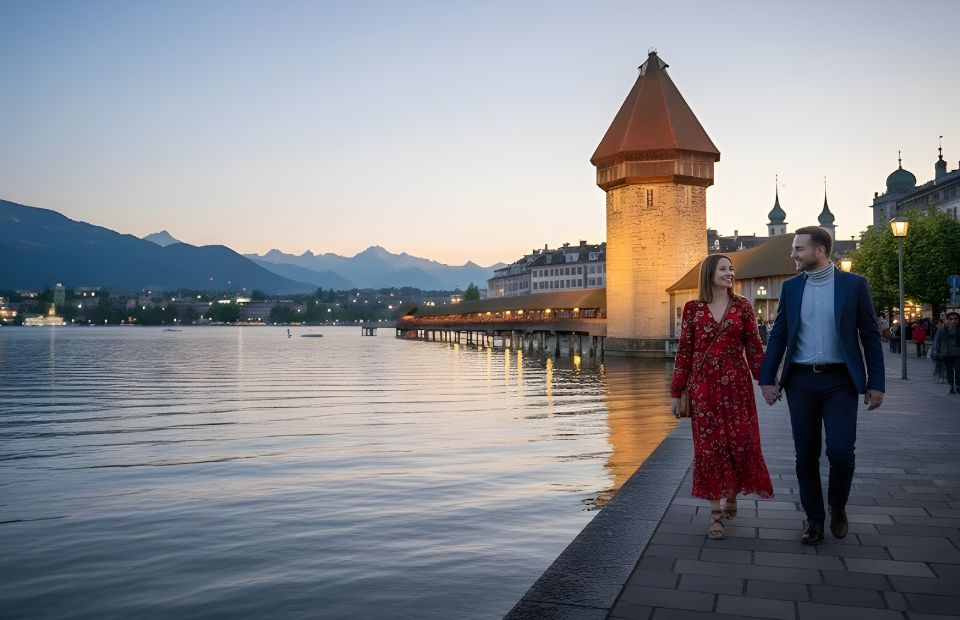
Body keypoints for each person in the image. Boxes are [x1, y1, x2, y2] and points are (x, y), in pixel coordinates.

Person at [759, 226, 885, 545]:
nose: (793, 254)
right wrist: (766, 378)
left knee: (841, 453)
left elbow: (870, 335)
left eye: (799, 249)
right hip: (800, 381)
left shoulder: (854, 285)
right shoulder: (791, 288)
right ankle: (814, 519)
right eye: (794, 248)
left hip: (840, 381)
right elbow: (779, 335)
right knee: (806, 455)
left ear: (820, 250)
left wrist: (876, 383)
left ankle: (837, 506)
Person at [671, 254, 774, 540]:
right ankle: (715, 515)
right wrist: (676, 393)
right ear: (709, 273)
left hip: (737, 386)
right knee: (709, 448)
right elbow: (684, 354)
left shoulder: (742, 306)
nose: (730, 273)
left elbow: (754, 347)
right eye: (723, 269)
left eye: (731, 269)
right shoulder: (692, 309)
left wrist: (765, 382)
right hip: (703, 388)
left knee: (740, 442)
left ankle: (732, 492)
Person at [933, 312, 960, 394]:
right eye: (951, 319)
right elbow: (937, 341)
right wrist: (936, 352)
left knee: (959, 369)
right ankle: (951, 385)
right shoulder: (942, 329)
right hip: (947, 353)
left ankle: (958, 385)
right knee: (949, 370)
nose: (953, 321)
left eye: (955, 319)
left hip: (958, 353)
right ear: (948, 320)